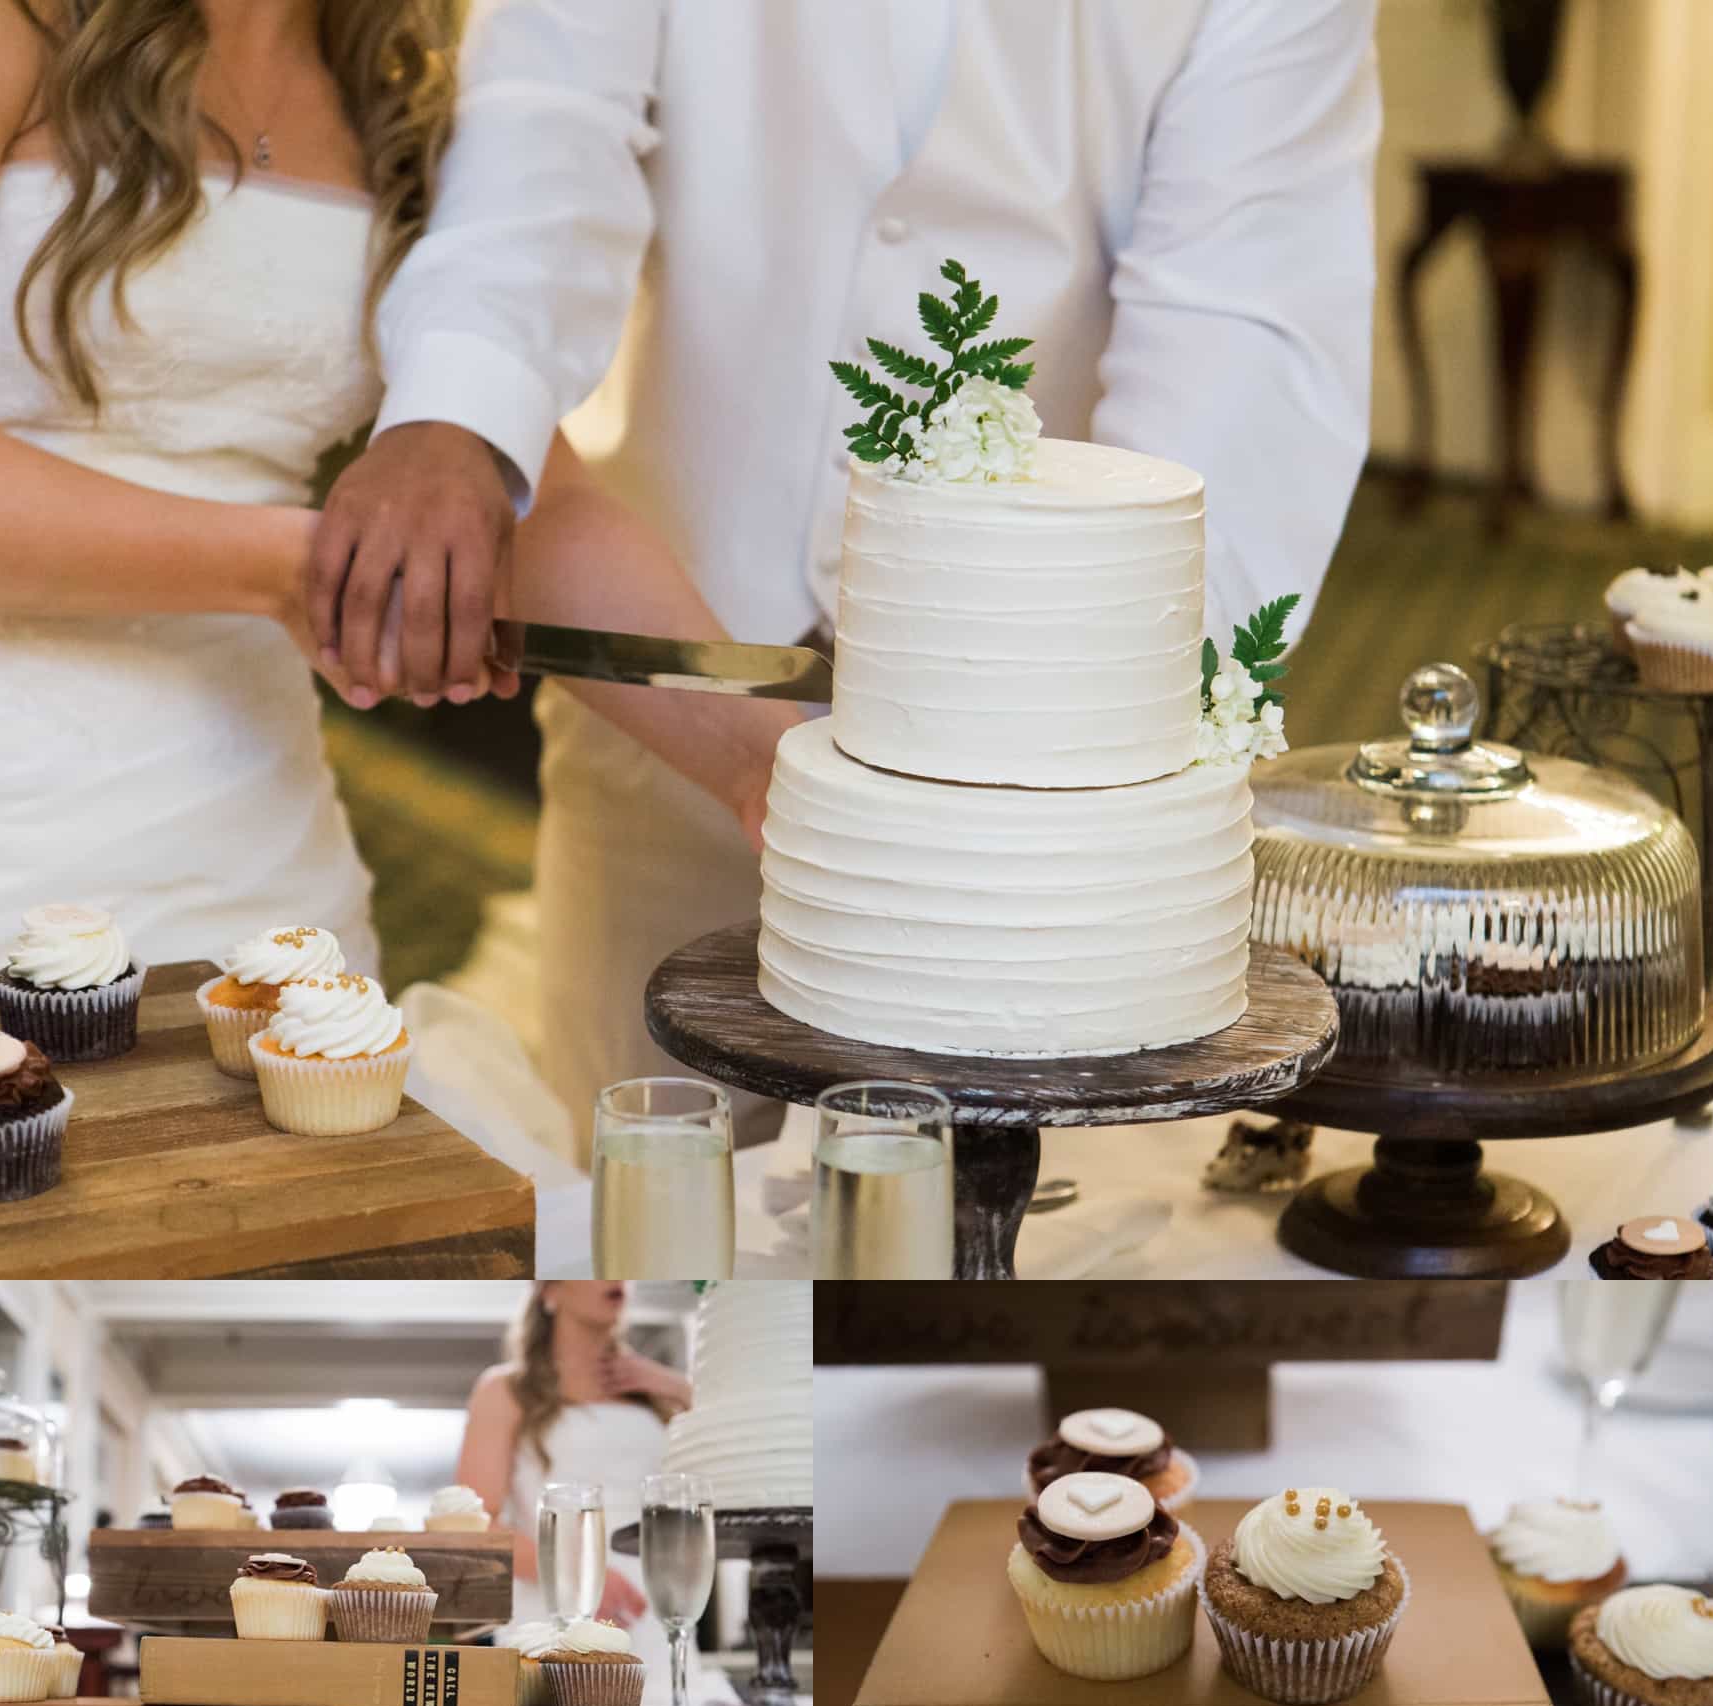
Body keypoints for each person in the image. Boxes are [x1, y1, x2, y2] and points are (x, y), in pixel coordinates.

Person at [313, 0, 1381, 1130]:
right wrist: (459, 416)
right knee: (644, 1209)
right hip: (675, 683)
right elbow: (549, 118)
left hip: (1027, 816)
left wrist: (1085, 767)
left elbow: (1246, 335)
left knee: (970, 1253)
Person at [0, 0, 791, 984]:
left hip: (253, 878)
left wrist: (763, 761)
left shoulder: (410, 91)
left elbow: (524, 503)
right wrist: (291, 569)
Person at [456, 1280, 689, 1636]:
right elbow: (471, 1523)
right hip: (555, 1612)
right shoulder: (505, 1390)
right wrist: (580, 1577)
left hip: (656, 1611)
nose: (616, 1275)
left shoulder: (655, 1394)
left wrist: (676, 1387)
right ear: (549, 1290)